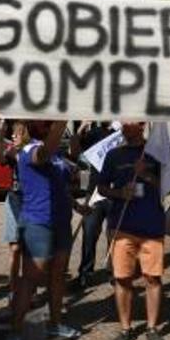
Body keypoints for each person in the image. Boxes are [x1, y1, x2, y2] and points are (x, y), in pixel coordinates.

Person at [5, 120, 81, 340]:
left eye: (51, 121)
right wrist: (63, 118)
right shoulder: (28, 150)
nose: (48, 124)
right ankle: (16, 333)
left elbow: (60, 185)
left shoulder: (57, 154)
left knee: (58, 277)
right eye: (45, 121)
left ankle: (55, 324)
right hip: (38, 223)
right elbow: (44, 153)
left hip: (60, 222)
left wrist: (75, 205)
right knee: (30, 280)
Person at [98, 122, 167, 340]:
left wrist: (146, 174)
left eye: (131, 122)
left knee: (153, 278)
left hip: (152, 227)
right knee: (122, 278)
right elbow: (101, 188)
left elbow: (167, 187)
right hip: (123, 226)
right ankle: (125, 328)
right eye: (124, 123)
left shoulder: (155, 153)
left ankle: (152, 328)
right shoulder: (113, 155)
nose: (126, 126)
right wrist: (118, 192)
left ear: (140, 125)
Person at [74, 121, 115, 290]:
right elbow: (75, 151)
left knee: (114, 234)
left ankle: (113, 270)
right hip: (95, 192)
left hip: (115, 192)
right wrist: (81, 127)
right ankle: (86, 271)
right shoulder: (94, 133)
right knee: (89, 231)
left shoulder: (121, 133)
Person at [0, 120, 29, 307]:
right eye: (13, 133)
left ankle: (29, 290)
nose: (15, 136)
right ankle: (13, 290)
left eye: (19, 133)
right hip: (15, 200)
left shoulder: (34, 151)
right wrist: (0, 134)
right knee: (15, 249)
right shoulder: (11, 151)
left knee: (31, 250)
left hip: (32, 203)